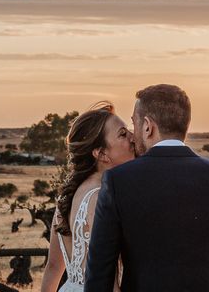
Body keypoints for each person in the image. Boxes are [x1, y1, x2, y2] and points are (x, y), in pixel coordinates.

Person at [85, 84, 209, 292]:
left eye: (134, 124)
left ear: (148, 126)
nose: (133, 133)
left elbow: (99, 278)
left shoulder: (117, 182)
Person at [40, 102, 135, 292]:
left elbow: (52, 268)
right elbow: (107, 279)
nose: (133, 137)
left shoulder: (68, 197)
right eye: (123, 134)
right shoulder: (101, 197)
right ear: (101, 153)